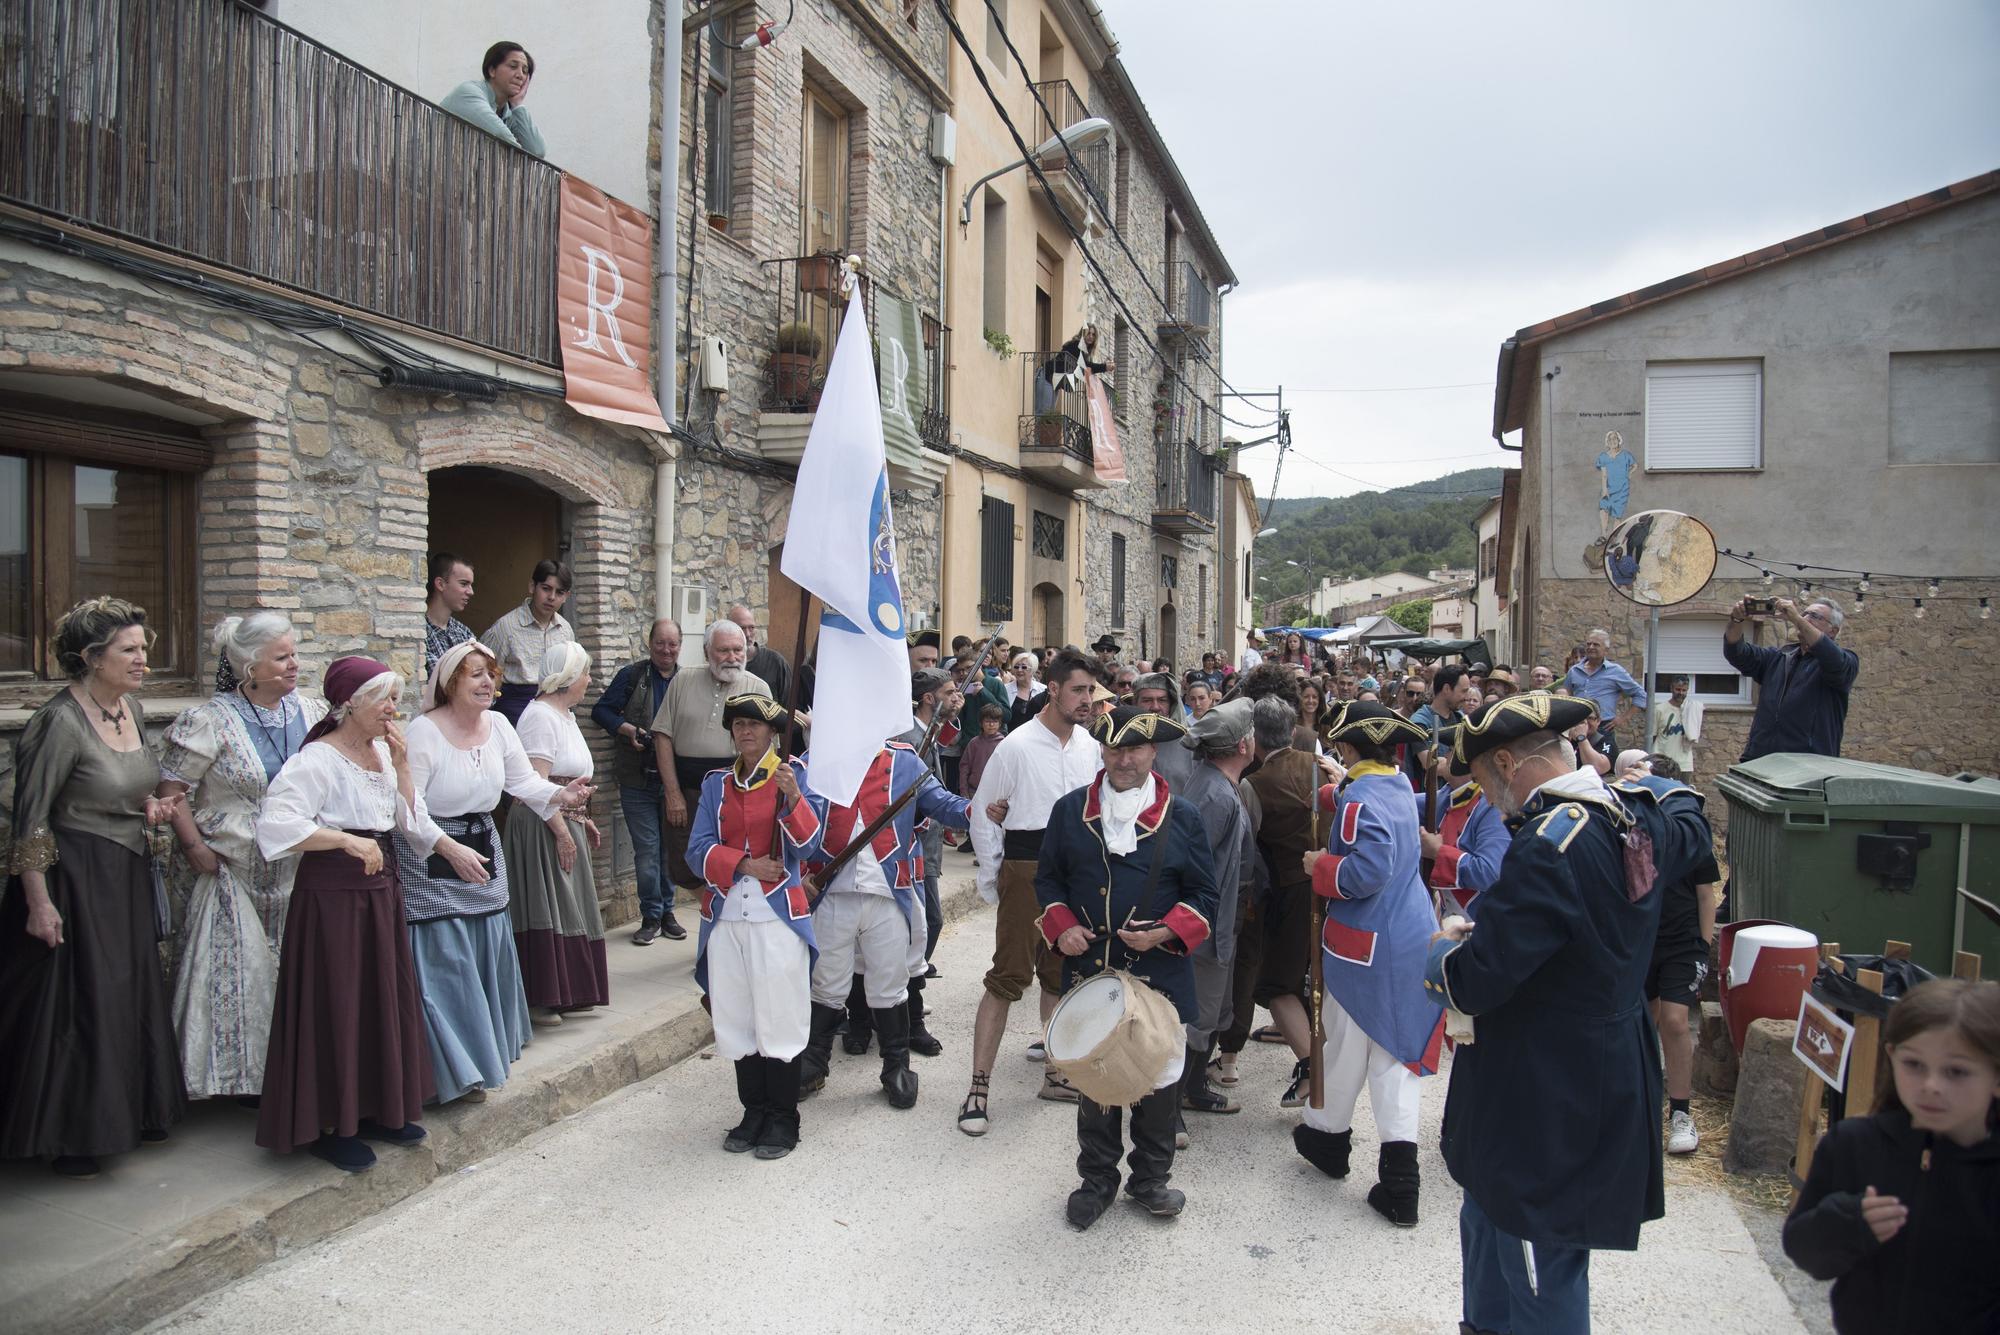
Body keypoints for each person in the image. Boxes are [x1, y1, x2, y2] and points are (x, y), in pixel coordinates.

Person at [1424, 694, 1711, 1333]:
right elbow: (1689, 811)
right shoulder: (1632, 814)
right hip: (1603, 1061)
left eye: (1485, 780)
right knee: (1501, 1226)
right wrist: (1643, 779)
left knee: (1535, 1250)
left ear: (1506, 761)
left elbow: (1477, 983)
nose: (1490, 799)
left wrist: (1445, 953)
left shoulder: (1548, 844)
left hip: (1545, 1082)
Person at [0, 598, 186, 1178]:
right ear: (90, 658)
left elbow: (127, 788)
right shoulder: (57, 723)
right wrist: (39, 902)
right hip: (72, 879)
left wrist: (152, 806)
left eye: (144, 650)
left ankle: (131, 1113)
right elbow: (29, 819)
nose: (142, 662)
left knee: (128, 994)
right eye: (129, 651)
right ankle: (74, 1134)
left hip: (123, 871)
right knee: (83, 1003)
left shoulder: (128, 706)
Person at [1034, 706, 1217, 1230]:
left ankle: (1150, 1179)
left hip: (1159, 972)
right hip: (1092, 969)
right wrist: (1062, 926)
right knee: (1096, 1079)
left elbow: (1207, 893)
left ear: (1153, 752)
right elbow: (1047, 882)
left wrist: (1166, 931)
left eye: (1134, 750)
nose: (1124, 760)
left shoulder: (1182, 816)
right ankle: (1096, 1180)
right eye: (1114, 750)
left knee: (1159, 1079)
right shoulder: (1071, 811)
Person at [254, 657, 432, 1173]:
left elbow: (408, 822)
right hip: (332, 897)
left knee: (380, 996)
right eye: (386, 700)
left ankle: (378, 1109)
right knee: (338, 1002)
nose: (394, 710)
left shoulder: (379, 752)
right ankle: (333, 1125)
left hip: (378, 891)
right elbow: (277, 826)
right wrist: (345, 842)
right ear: (350, 704)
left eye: (396, 699)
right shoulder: (317, 760)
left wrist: (401, 768)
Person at [398, 642, 586, 1105]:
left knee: (484, 955)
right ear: (449, 684)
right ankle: (450, 1074)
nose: (487, 683)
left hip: (482, 842)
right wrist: (447, 847)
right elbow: (406, 808)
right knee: (448, 963)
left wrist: (560, 797)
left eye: (490, 674)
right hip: (432, 852)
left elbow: (521, 782)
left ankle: (480, 1063)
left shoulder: (499, 725)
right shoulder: (423, 732)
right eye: (474, 675)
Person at [157, 612, 328, 1102]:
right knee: (237, 974)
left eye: (295, 653)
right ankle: (236, 1081)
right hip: (231, 870)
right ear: (250, 666)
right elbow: (173, 791)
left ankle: (294, 1073)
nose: (295, 664)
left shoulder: (313, 712)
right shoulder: (208, 720)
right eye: (283, 657)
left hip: (300, 867)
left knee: (296, 968)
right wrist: (195, 850)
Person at [1296, 703, 1447, 1228]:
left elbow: (1368, 870)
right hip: (1411, 935)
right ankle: (1400, 1181)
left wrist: (1322, 867)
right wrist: (1335, 788)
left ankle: (1328, 1137)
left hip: (1364, 943)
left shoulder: (1360, 799)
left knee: (1344, 1045)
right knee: (1396, 1055)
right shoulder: (1399, 786)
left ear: (1349, 748)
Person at [1782, 977, 1999, 1334]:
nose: (1931, 1085)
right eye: (1914, 1064)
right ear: (1891, 1057)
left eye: (1956, 1071)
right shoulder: (1853, 1144)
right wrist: (1847, 1223)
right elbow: (1804, 1251)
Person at [798, 700, 971, 1108]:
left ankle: (896, 1065)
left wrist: (978, 810)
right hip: (830, 891)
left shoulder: (905, 762)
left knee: (890, 980)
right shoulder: (814, 763)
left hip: (887, 892)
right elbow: (794, 820)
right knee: (827, 980)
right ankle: (814, 1061)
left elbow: (941, 803)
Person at [960, 649, 1103, 1134]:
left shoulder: (1089, 746)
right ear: (1055, 689)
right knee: (1007, 977)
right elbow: (983, 811)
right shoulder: (1016, 746)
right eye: (1078, 690)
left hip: (1075, 872)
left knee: (1061, 977)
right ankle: (978, 1087)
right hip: (1026, 869)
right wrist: (998, 875)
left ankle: (1056, 1072)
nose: (1087, 700)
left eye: (1091, 691)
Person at [684, 695, 820, 1160]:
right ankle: (753, 1111)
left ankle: (784, 1117)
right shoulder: (716, 785)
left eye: (756, 726)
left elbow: (810, 844)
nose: (746, 733)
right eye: (739, 725)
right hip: (725, 915)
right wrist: (742, 864)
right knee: (737, 1017)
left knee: (778, 1016)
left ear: (772, 734)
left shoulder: (795, 776)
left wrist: (794, 799)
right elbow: (696, 850)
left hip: (777, 917)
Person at [506, 644, 605, 1026]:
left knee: (571, 905)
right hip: (542, 824)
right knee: (551, 904)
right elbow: (533, 784)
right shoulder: (539, 717)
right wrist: (562, 832)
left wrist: (582, 818)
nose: (589, 680)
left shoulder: (564, 715)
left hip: (567, 818)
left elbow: (572, 777)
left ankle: (571, 991)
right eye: (585, 673)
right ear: (567, 678)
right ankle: (544, 997)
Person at [653, 620, 772, 924]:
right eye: (723, 650)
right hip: (687, 789)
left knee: (727, 861)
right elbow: (663, 735)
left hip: (733, 792)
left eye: (737, 649)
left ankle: (718, 922)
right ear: (707, 652)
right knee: (684, 866)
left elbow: (769, 748)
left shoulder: (758, 687)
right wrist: (673, 792)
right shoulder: (682, 681)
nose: (732, 656)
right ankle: (716, 915)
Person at [1172, 699, 1256, 1128]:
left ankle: (1193, 1089)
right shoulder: (1214, 794)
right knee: (1195, 1018)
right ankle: (1168, 1113)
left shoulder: (1219, 783)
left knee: (1212, 1011)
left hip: (1221, 923)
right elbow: (1188, 865)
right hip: (1204, 928)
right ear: (1243, 744)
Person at [1640, 753, 1719, 1156]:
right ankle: (1643, 1106)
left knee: (1674, 1020)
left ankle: (1681, 1114)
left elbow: (1707, 895)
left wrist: (1703, 948)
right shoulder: (1633, 827)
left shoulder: (1691, 832)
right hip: (1642, 939)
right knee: (1642, 1023)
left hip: (1682, 942)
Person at [592, 619, 687, 944]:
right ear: (650, 644)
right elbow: (601, 711)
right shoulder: (632, 676)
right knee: (647, 851)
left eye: (672, 644)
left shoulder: (686, 682)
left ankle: (668, 913)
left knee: (668, 851)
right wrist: (628, 730)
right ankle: (650, 916)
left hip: (674, 781)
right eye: (661, 643)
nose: (666, 649)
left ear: (680, 646)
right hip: (637, 780)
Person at [894, 667, 965, 1052]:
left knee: (925, 922)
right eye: (950, 692)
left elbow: (947, 741)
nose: (957, 697)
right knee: (925, 921)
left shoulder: (927, 731)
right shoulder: (908, 737)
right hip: (910, 844)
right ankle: (903, 998)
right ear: (928, 699)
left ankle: (908, 994)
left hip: (929, 843)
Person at [1724, 595, 1858, 762]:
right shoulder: (1779, 657)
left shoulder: (1846, 661)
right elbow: (1736, 653)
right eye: (1804, 613)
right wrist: (1736, 619)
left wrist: (1795, 618)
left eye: (1814, 616)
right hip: (1760, 759)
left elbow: (1832, 658)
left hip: (1807, 766)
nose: (1805, 618)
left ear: (1833, 630)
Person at [1421, 733, 1508, 918]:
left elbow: (1490, 872)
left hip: (1479, 918)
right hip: (1451, 913)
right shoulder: (1450, 794)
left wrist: (1438, 852)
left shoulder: (1490, 805)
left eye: (1451, 751)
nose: (1445, 757)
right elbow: (1405, 801)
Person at [480, 559, 575, 725]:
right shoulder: (506, 627)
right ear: (532, 587)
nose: (551, 597)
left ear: (566, 596)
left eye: (559, 592)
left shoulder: (565, 630)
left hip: (556, 711)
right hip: (515, 712)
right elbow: (486, 671)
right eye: (546, 589)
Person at [439, 41, 546, 156]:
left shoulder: (507, 113)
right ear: (492, 70)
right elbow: (502, 136)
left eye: (525, 71)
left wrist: (518, 105)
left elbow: (537, 151)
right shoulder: (468, 92)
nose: (520, 75)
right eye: (513, 66)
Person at [1562, 629, 1646, 758]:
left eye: (1596, 645)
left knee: (1604, 768)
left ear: (1606, 650)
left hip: (1603, 728)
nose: (1591, 647)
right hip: (1578, 727)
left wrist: (1623, 719)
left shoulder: (1615, 671)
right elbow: (1566, 696)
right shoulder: (1574, 671)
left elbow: (1640, 695)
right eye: (1588, 644)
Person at [423, 552, 477, 681]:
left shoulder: (464, 632)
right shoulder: (419, 632)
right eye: (464, 584)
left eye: (470, 585)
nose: (471, 592)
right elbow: (445, 684)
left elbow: (487, 680)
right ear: (440, 584)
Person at [726, 603, 792, 709]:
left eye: (751, 628)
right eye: (742, 628)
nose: (747, 634)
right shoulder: (723, 665)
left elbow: (789, 706)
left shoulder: (776, 662)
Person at [1035, 324, 1110, 414]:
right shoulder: (1076, 345)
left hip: (1054, 381)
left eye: (1093, 335)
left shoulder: (1085, 352)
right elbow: (1085, 365)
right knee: (1043, 412)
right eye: (1088, 333)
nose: (1090, 336)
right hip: (1046, 376)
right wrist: (1104, 367)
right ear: (1083, 334)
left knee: (1047, 414)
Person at [1648, 675, 1702, 779]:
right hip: (1662, 763)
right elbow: (1652, 737)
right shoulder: (1660, 709)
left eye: (1684, 690)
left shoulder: (1692, 710)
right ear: (1671, 688)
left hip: (1684, 763)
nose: (1680, 693)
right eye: (1678, 689)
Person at [959, 703, 1006, 800]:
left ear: (1000, 724)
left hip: (995, 793)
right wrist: (964, 791)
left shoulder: (1004, 744)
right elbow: (964, 767)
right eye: (987, 721)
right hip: (973, 791)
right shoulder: (974, 743)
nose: (991, 725)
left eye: (995, 721)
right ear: (981, 723)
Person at [1001, 650, 1045, 732]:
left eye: (1024, 667)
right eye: (1016, 667)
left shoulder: (1042, 690)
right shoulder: (1005, 689)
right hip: (1011, 737)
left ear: (1033, 670)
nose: (1019, 670)